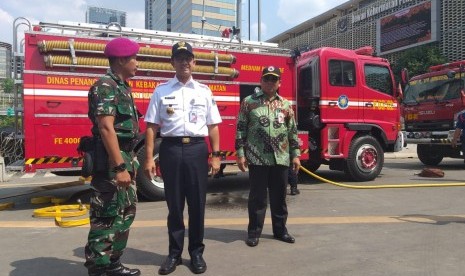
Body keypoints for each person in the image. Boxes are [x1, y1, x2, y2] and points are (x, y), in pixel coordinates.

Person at [144, 41, 222, 275]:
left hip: (198, 150)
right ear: (172, 62)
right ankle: (174, 254)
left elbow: (214, 126)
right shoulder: (161, 91)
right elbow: (151, 127)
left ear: (194, 62)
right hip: (170, 150)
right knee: (174, 205)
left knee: (197, 205)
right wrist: (149, 158)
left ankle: (196, 253)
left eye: (188, 58)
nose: (184, 62)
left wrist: (216, 156)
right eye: (179, 58)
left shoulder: (204, 91)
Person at [84, 37, 141, 276]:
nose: (137, 63)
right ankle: (99, 267)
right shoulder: (105, 86)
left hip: (125, 156)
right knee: (106, 214)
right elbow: (106, 128)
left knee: (125, 212)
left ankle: (113, 263)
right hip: (112, 161)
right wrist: (119, 167)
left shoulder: (121, 87)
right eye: (134, 58)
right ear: (121, 60)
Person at [235, 65, 301, 247]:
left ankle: (280, 231)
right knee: (257, 198)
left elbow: (292, 132)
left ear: (279, 83)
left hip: (281, 158)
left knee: (279, 197)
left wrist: (295, 155)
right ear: (260, 81)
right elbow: (240, 128)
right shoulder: (249, 102)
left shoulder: (286, 105)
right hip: (257, 158)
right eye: (267, 79)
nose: (270, 82)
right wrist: (240, 153)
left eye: (274, 79)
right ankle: (254, 232)